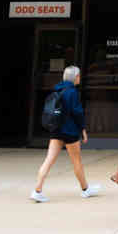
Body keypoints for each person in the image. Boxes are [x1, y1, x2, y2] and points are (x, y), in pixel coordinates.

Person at [31, 66, 100, 202]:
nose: (80, 78)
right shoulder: (72, 92)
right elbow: (77, 113)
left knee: (49, 160)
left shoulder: (57, 89)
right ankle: (85, 189)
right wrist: (83, 129)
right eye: (79, 76)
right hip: (70, 131)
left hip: (56, 130)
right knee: (76, 162)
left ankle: (37, 190)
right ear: (75, 77)